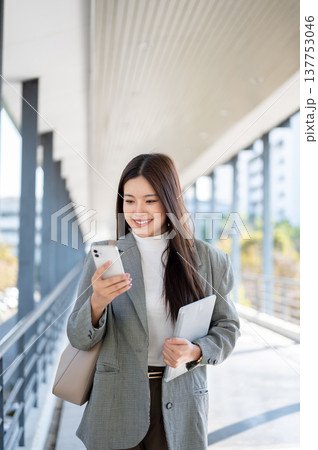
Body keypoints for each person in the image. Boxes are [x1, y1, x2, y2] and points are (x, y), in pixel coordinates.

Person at [67, 153, 240, 450]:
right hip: (115, 404)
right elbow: (77, 337)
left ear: (170, 201)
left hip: (181, 400)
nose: (138, 211)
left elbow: (228, 327)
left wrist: (196, 351)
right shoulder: (104, 258)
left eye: (150, 200)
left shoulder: (209, 260)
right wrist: (96, 303)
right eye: (129, 200)